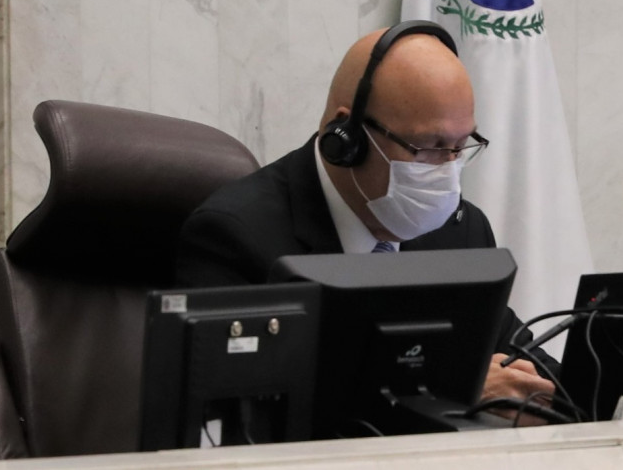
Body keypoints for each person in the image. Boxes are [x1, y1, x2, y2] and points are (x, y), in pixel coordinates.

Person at [176, 21, 558, 424]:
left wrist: (551, 395)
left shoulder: (460, 230)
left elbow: (528, 368)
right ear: (346, 138)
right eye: (427, 147)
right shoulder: (235, 236)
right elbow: (236, 417)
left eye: (460, 147)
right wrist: (450, 388)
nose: (447, 172)